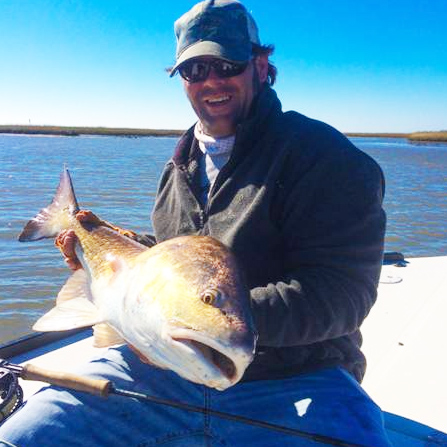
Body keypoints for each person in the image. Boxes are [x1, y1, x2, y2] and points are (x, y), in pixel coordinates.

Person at [0, 1, 391, 446]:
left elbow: (342, 294)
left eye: (226, 64)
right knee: (24, 436)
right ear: (181, 78)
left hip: (295, 378)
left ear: (260, 65)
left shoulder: (326, 159)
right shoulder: (180, 164)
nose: (211, 81)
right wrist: (114, 246)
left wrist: (205, 320)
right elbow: (174, 255)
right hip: (161, 365)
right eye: (195, 70)